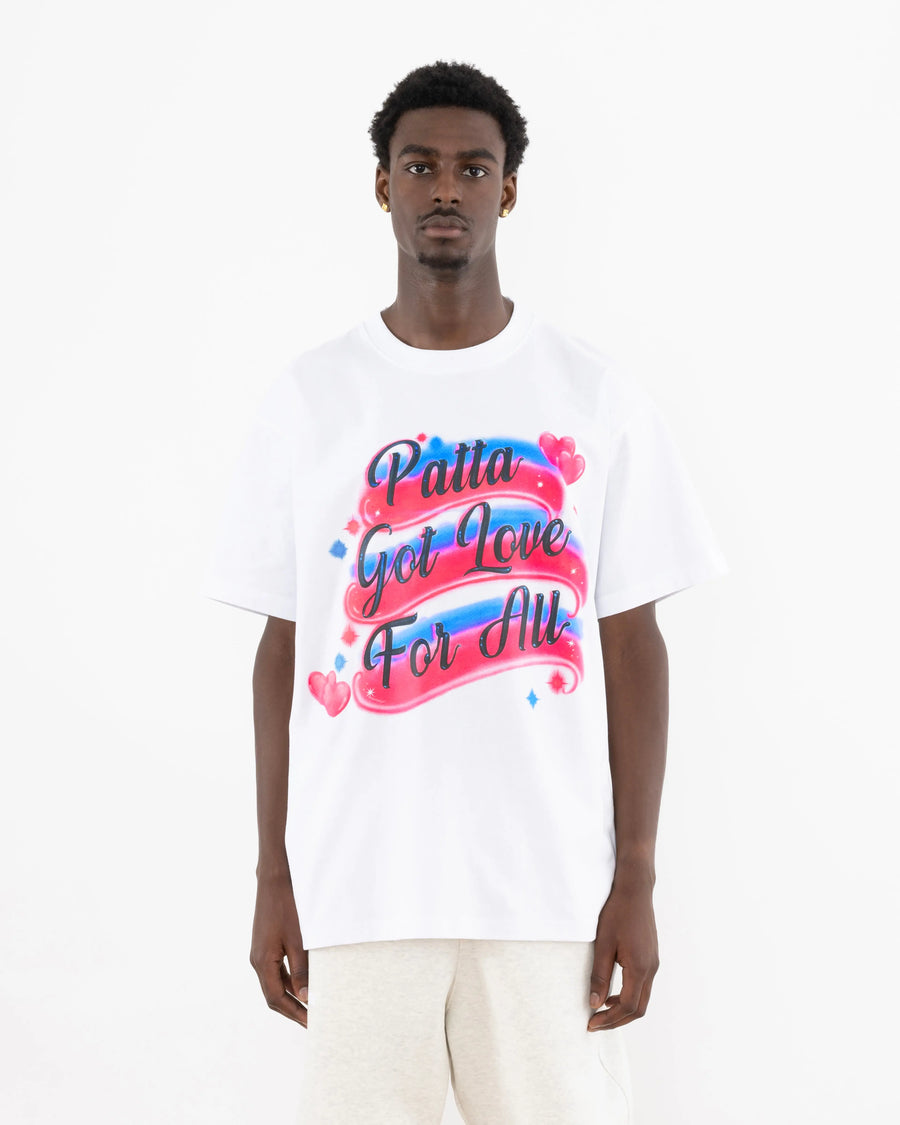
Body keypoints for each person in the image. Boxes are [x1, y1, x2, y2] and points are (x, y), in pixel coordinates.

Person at [201, 59, 727, 1125]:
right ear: (382, 185)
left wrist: (636, 878)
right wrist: (272, 876)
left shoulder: (595, 396)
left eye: (473, 168)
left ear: (509, 190)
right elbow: (282, 649)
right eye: (421, 166)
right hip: (360, 885)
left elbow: (632, 643)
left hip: (547, 892)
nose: (446, 188)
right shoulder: (310, 400)